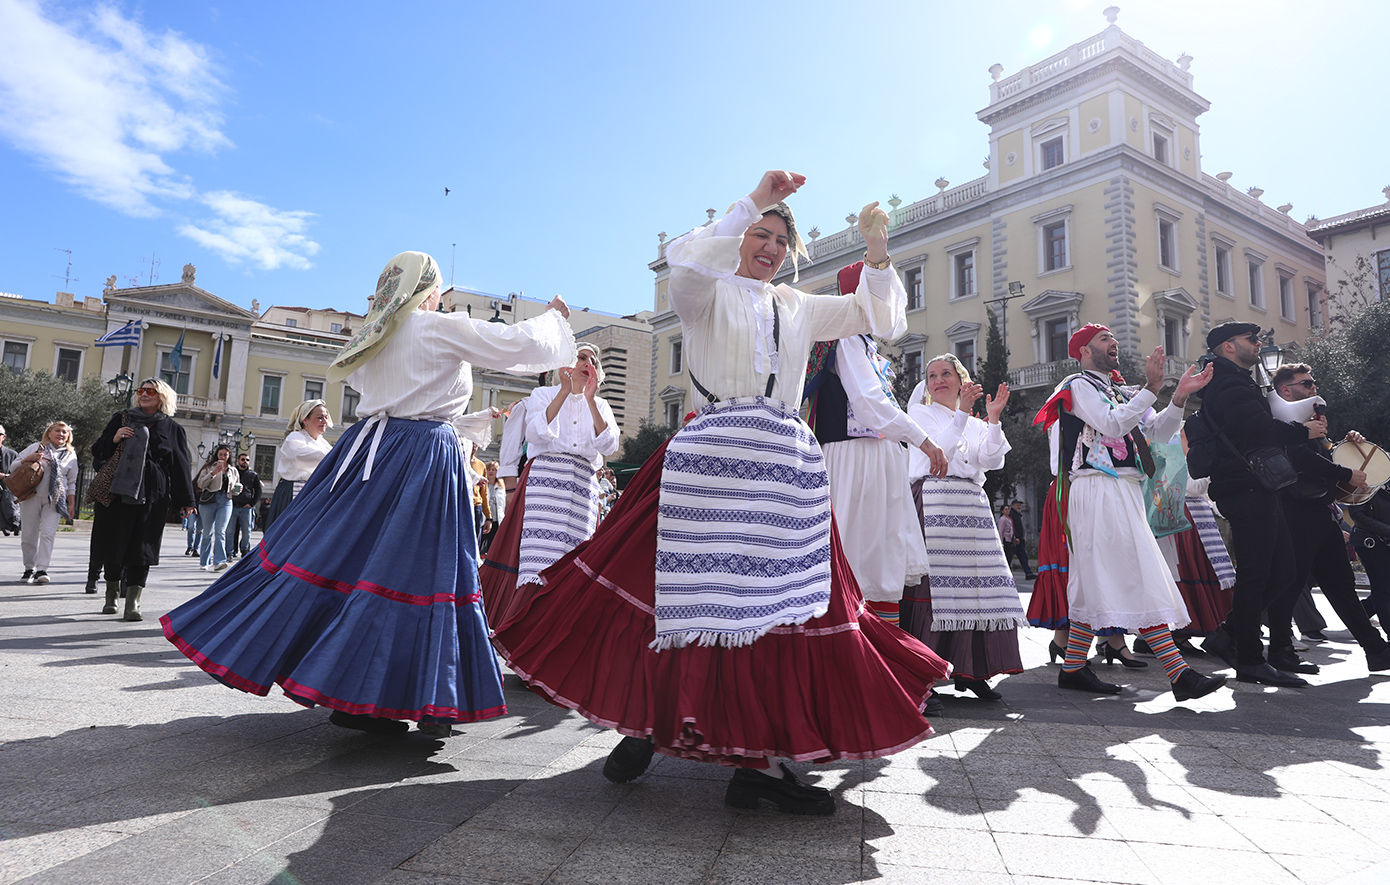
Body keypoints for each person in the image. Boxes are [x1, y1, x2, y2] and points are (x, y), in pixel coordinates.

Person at [491, 172, 952, 816]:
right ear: (737, 236)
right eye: (759, 235)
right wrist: (755, 200)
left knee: (783, 608)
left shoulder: (798, 305)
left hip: (783, 466)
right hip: (709, 459)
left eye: (780, 241)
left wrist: (876, 252)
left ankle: (754, 759)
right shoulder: (703, 292)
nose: (770, 247)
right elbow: (687, 261)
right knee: (673, 595)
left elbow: (876, 319)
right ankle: (651, 721)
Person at [162, 251, 576, 737]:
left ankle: (360, 696)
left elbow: (390, 390)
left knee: (349, 562)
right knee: (421, 569)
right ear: (427, 290)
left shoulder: (373, 335)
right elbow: (514, 345)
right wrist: (553, 318)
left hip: (367, 451)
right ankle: (419, 696)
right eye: (436, 289)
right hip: (422, 455)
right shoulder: (436, 327)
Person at [1033, 324, 1226, 701]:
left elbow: (1157, 434)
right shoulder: (1078, 386)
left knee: (1096, 579)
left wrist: (1178, 397)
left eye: (1113, 338)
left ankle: (1073, 668)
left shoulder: (1121, 391)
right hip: (1095, 486)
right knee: (1136, 571)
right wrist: (1152, 388)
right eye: (1104, 339)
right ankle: (1179, 674)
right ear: (1084, 351)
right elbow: (1111, 423)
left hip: (1124, 488)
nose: (1114, 343)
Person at [1195, 326, 1380, 685]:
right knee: (1258, 574)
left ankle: (1229, 636)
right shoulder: (1229, 384)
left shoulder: (1239, 381)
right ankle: (1250, 658)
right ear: (1228, 346)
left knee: (1282, 571)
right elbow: (1258, 429)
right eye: (1251, 340)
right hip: (1245, 487)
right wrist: (1303, 432)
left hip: (1257, 486)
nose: (1258, 344)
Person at [803, 261, 945, 628]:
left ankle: (879, 652)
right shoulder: (847, 336)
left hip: (872, 457)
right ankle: (860, 651)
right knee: (861, 558)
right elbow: (869, 404)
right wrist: (922, 439)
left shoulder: (863, 342)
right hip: (855, 458)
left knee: (878, 559)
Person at [901, 354, 1026, 702]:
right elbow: (937, 450)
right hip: (935, 500)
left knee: (977, 589)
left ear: (960, 380)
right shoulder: (920, 413)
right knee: (935, 589)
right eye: (932, 376)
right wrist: (963, 413)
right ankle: (923, 673)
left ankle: (971, 670)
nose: (939, 380)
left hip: (971, 504)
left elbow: (992, 460)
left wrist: (994, 419)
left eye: (946, 373)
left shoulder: (974, 422)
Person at [1258, 363, 1389, 672]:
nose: (1313, 387)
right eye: (1306, 383)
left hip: (1318, 511)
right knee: (1290, 584)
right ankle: (1267, 645)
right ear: (1286, 389)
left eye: (1313, 382)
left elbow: (1319, 458)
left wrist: (1346, 445)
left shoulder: (1308, 422)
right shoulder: (1284, 422)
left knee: (1340, 584)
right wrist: (1345, 472)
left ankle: (1376, 649)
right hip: (1296, 511)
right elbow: (1301, 458)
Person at [480, 345, 619, 627]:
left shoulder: (601, 405)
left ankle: (558, 629)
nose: (587, 364)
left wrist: (590, 400)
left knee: (575, 557)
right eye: (581, 358)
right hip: (546, 483)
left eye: (592, 361)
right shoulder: (542, 395)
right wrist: (564, 392)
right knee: (539, 557)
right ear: (564, 364)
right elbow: (536, 433)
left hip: (583, 486)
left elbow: (609, 446)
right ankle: (523, 626)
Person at [90, 379, 196, 621]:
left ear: (162, 397)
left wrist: (186, 500)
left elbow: (180, 466)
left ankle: (133, 602)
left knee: (142, 546)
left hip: (152, 495)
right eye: (141, 390)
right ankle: (111, 595)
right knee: (113, 542)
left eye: (150, 391)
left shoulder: (172, 428)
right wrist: (115, 437)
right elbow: (98, 450)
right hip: (116, 492)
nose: (144, 394)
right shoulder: (121, 418)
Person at [16, 421, 79, 584]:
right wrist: (28, 459)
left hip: (55, 499)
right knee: (29, 534)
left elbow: (71, 482)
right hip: (31, 496)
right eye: (57, 431)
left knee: (48, 534)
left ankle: (42, 570)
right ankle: (29, 568)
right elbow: (13, 466)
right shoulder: (36, 447)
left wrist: (71, 503)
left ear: (69, 436)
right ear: (49, 433)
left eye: (64, 432)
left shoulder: (71, 455)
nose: (61, 434)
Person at [264, 400, 332, 531]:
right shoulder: (294, 437)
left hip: (313, 492)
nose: (324, 421)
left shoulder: (323, 443)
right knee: (287, 532)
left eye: (326, 417)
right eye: (319, 417)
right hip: (292, 491)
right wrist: (335, 455)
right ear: (305, 420)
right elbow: (301, 456)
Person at [194, 443, 241, 571]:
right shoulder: (208, 467)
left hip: (226, 501)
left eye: (225, 454)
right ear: (217, 455)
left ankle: (219, 561)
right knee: (207, 532)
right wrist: (213, 473)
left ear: (229, 455)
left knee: (220, 531)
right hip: (209, 500)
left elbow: (235, 489)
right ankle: (205, 561)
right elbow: (201, 484)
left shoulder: (233, 470)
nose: (223, 457)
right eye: (220, 454)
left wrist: (238, 490)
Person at [1350, 487, 1390, 631]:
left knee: (1384, 588)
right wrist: (1387, 530)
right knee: (1383, 588)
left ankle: (1357, 616)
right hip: (1370, 541)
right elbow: (1357, 515)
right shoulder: (1367, 481)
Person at [227, 451, 261, 559]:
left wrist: (251, 503)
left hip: (246, 508)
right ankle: (229, 552)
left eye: (247, 460)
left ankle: (245, 550)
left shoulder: (253, 475)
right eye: (243, 459)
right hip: (232, 506)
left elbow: (258, 491)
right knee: (230, 531)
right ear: (238, 461)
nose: (245, 462)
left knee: (247, 531)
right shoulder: (232, 472)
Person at [478, 461, 506, 555]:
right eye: (489, 469)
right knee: (481, 545)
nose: (491, 471)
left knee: (493, 547)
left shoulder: (502, 487)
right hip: (484, 520)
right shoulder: (482, 485)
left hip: (497, 520)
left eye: (493, 470)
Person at [1008, 500, 1036, 579]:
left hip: (1019, 540)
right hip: (1014, 540)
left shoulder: (1017, 514)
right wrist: (1015, 537)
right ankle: (1006, 573)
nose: (1019, 507)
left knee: (1023, 556)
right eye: (1017, 505)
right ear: (1013, 505)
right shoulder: (1011, 514)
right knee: (1009, 557)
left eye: (1020, 505)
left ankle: (1028, 573)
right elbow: (1011, 527)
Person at [0, 425, 19, 537]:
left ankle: (13, 525)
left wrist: (5, 476)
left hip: (8, 491)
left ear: (4, 437)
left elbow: (20, 475)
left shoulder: (12, 455)